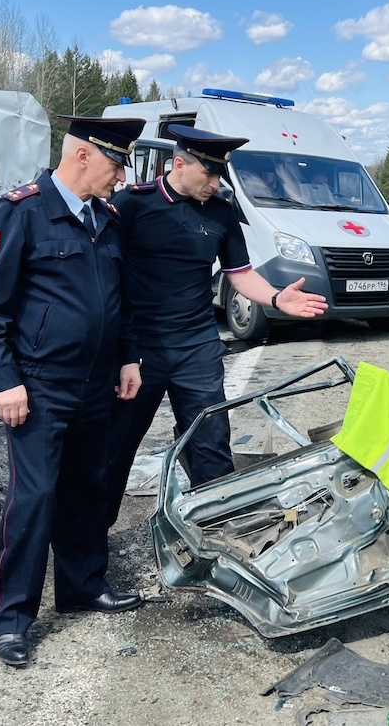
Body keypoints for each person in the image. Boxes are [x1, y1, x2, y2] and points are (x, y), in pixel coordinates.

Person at [0, 115, 147, 669]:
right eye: (115, 163)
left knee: (88, 487)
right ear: (84, 156)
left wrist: (128, 356)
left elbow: (120, 299)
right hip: (38, 388)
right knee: (34, 499)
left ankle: (82, 586)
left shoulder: (106, 220)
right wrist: (5, 381)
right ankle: (12, 618)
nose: (120, 176)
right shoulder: (19, 212)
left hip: (97, 384)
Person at [107, 124, 328, 524]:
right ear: (178, 164)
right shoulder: (132, 205)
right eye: (208, 174)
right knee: (115, 449)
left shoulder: (221, 211)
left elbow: (239, 273)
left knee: (210, 445)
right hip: (139, 351)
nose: (215, 183)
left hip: (197, 349)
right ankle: (92, 548)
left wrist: (277, 297)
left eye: (219, 175)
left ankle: (218, 527)